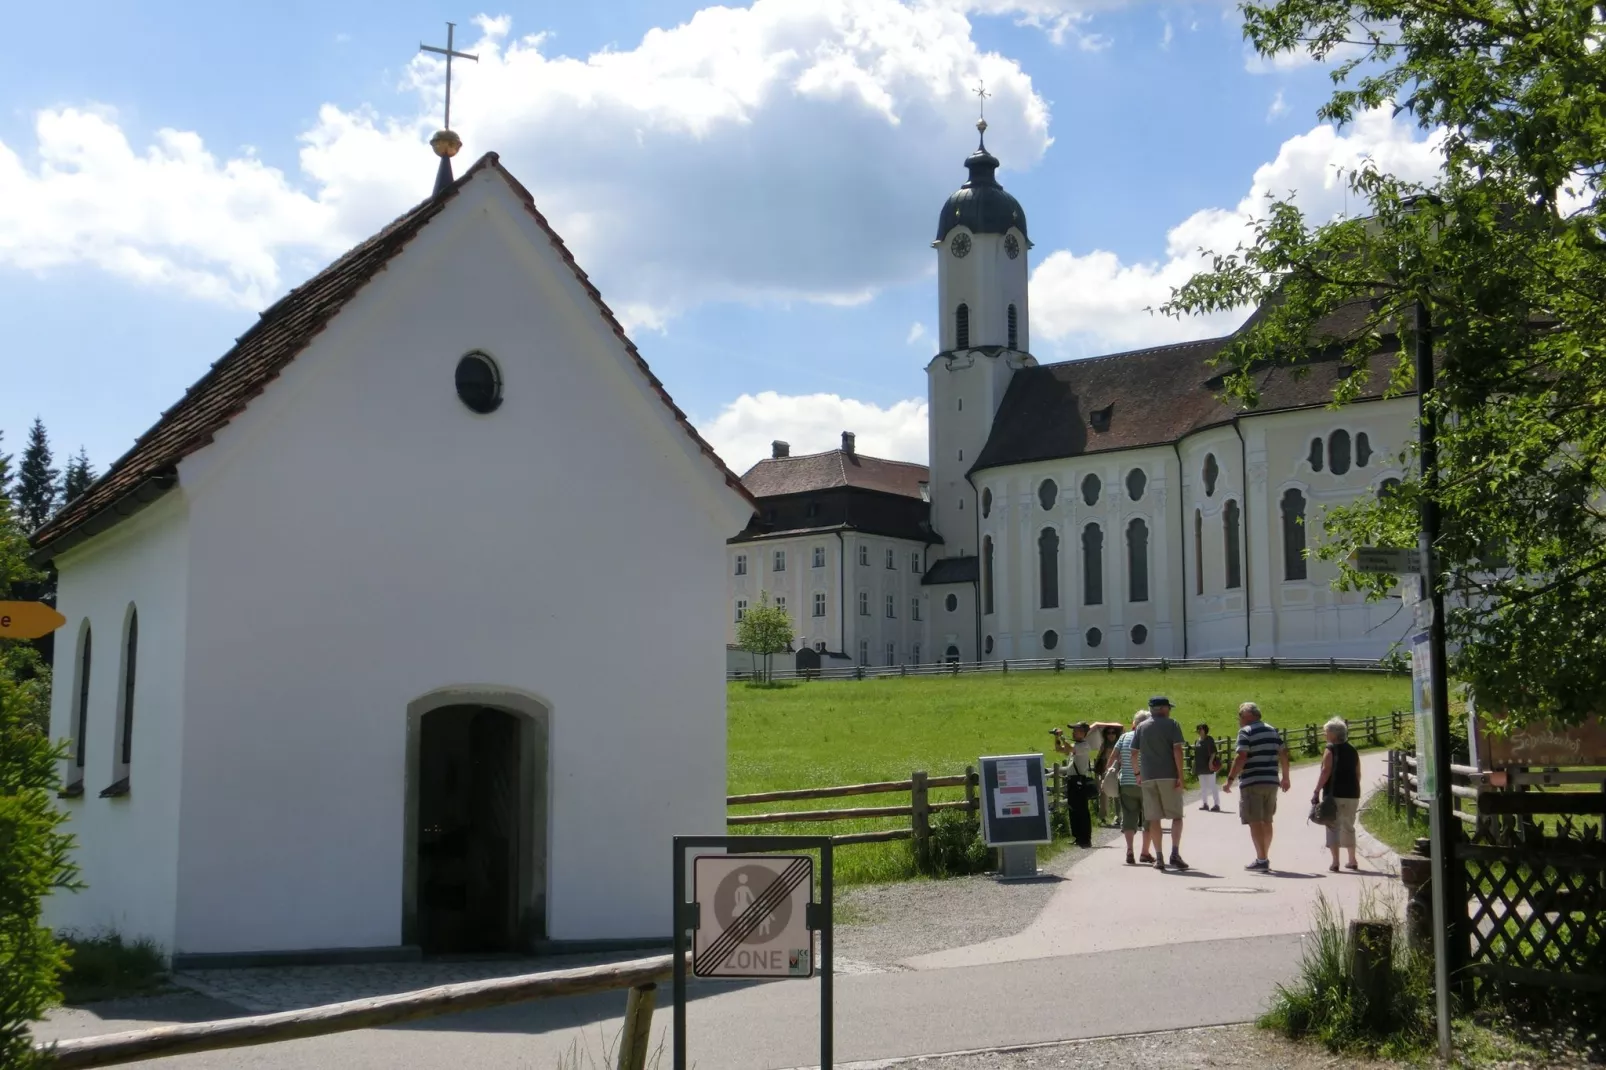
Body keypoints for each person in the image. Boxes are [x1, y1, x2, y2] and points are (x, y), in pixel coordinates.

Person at [1222, 701, 1291, 871]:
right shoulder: (1272, 730)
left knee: (1255, 821)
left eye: (1240, 715)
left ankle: (1262, 859)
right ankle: (1263, 856)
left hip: (1252, 781)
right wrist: (1286, 777)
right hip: (1271, 781)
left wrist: (1230, 779)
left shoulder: (1246, 732)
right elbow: (1283, 753)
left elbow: (1241, 756)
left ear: (1247, 716)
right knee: (1267, 820)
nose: (1238, 719)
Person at [1133, 696, 1187, 871]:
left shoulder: (1141, 727)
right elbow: (1177, 750)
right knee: (1176, 816)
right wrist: (1181, 775)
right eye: (1168, 707)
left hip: (1148, 777)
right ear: (1163, 709)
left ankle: (1159, 856)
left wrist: (1137, 774)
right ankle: (1175, 853)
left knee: (1154, 817)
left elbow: (1133, 753)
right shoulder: (1172, 724)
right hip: (1169, 775)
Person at [1054, 721, 1119, 848]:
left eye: (1076, 730)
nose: (1073, 732)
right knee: (1073, 809)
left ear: (1083, 733)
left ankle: (1085, 838)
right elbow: (1060, 749)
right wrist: (1056, 738)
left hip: (1079, 781)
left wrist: (1062, 737)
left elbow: (1071, 749)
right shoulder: (1076, 745)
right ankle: (1077, 837)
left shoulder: (1084, 746)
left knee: (1082, 810)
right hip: (1072, 780)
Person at [1312, 716, 1362, 872]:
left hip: (1334, 793)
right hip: (1352, 793)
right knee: (1348, 825)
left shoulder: (1330, 749)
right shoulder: (1353, 750)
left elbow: (1325, 771)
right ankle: (1352, 860)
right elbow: (1358, 773)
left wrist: (1316, 790)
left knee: (1333, 826)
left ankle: (1335, 862)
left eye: (1326, 732)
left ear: (1333, 734)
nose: (1324, 735)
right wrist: (1353, 787)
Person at [1113, 711, 1155, 865]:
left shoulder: (1124, 737)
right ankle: (1145, 852)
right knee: (1149, 818)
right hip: (1146, 782)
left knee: (1129, 816)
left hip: (1126, 783)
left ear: (1134, 723)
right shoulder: (1149, 738)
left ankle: (1130, 850)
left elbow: (1113, 756)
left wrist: (1109, 772)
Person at [1096, 725, 1123, 826]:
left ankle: (1118, 817)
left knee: (1117, 795)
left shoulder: (1119, 744)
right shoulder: (1104, 745)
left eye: (1113, 732)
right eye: (1108, 733)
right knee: (1103, 794)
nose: (1111, 735)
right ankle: (1102, 817)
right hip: (1105, 772)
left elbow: (1121, 727)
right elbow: (1100, 759)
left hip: (1117, 772)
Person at [1194, 723, 1222, 812]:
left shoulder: (1209, 739)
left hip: (1209, 767)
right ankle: (1205, 803)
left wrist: (1210, 763)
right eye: (1198, 729)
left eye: (1200, 729)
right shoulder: (1197, 741)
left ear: (1205, 730)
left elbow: (1214, 752)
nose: (1199, 731)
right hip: (1200, 767)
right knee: (1203, 787)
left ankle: (1216, 804)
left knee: (1212, 785)